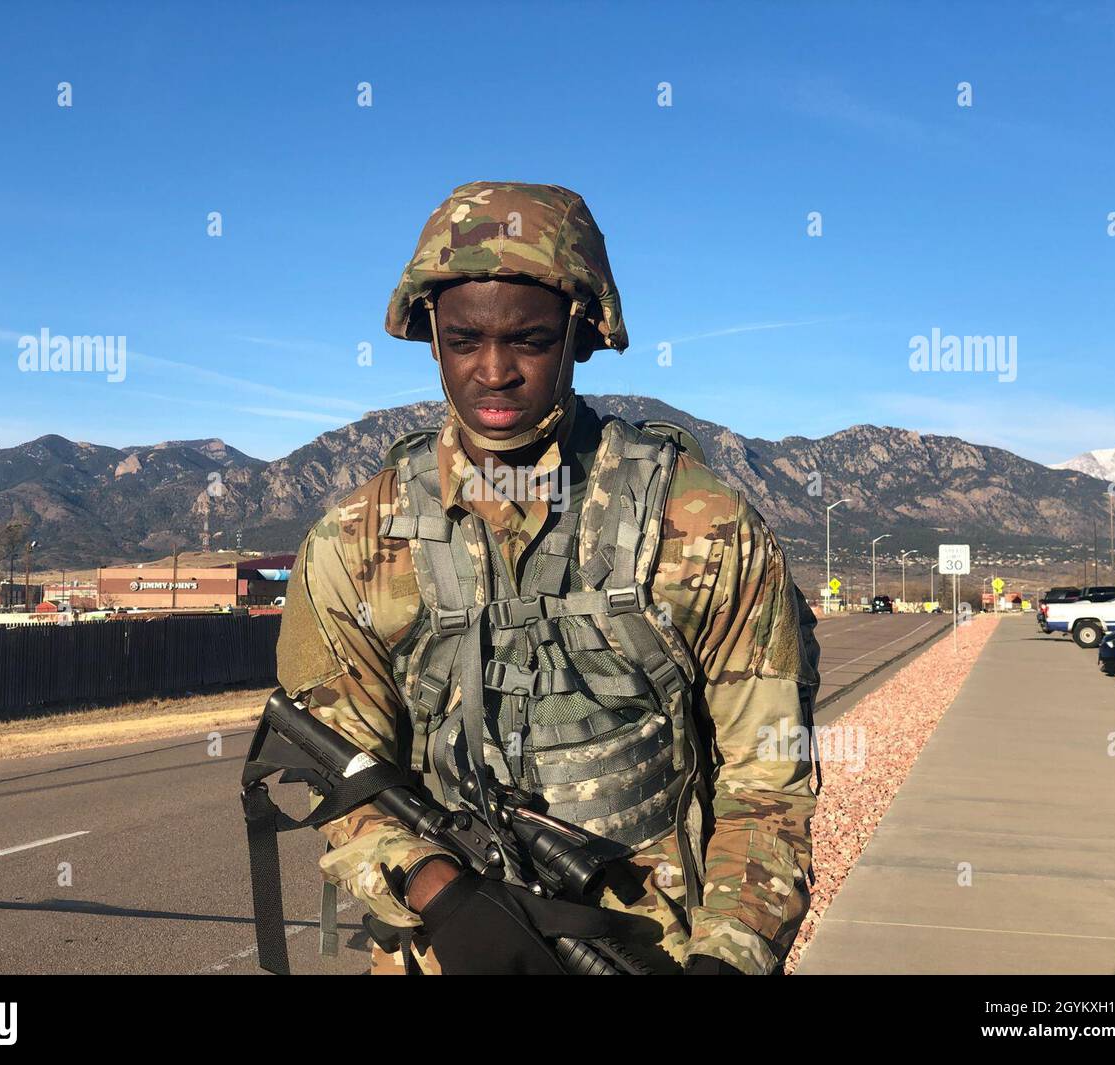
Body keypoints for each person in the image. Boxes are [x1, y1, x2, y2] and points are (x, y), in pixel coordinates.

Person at [275, 181, 820, 975]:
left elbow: (768, 780)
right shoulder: (354, 544)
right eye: (464, 341)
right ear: (430, 338)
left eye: (527, 341)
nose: (493, 372)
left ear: (581, 334)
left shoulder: (701, 525)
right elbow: (345, 769)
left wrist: (728, 956)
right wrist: (441, 893)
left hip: (655, 952)